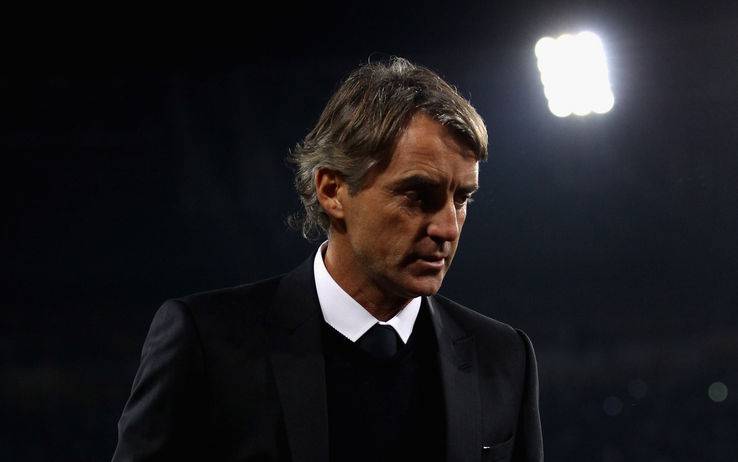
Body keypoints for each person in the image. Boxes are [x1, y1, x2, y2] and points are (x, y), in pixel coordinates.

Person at [112, 57, 543, 462]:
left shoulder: (505, 358)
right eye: (418, 196)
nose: (447, 228)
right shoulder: (207, 343)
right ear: (332, 191)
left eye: (462, 199)